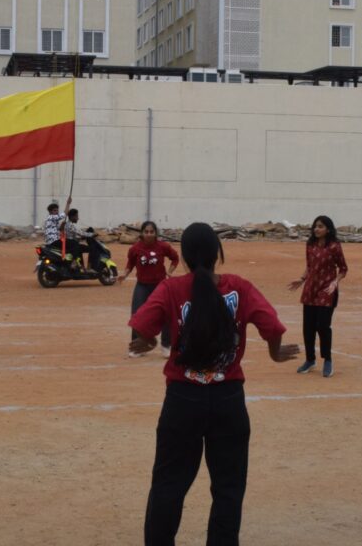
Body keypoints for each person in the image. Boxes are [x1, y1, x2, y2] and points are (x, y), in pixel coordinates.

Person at [128, 222, 299, 546]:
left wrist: (149, 342)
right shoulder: (239, 287)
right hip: (228, 399)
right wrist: (276, 356)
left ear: (187, 257)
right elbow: (273, 327)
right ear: (218, 253)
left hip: (182, 399)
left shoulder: (171, 289)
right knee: (228, 490)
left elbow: (142, 326)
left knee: (169, 484)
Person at [288, 215, 348, 378]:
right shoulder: (310, 245)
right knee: (308, 327)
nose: (316, 229)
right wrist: (301, 280)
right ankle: (310, 360)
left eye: (320, 226)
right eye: (315, 226)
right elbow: (309, 266)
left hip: (327, 291)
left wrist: (335, 282)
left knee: (323, 326)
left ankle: (327, 360)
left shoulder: (335, 246)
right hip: (310, 290)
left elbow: (343, 269)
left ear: (328, 229)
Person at [119, 221, 180, 359]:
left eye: (151, 232)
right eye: (146, 232)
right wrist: (125, 273)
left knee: (166, 314)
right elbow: (130, 263)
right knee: (137, 316)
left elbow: (175, 258)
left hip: (160, 286)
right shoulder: (135, 249)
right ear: (141, 233)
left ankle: (166, 346)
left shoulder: (163, 246)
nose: (149, 234)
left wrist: (170, 272)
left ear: (155, 233)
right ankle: (137, 347)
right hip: (142, 286)